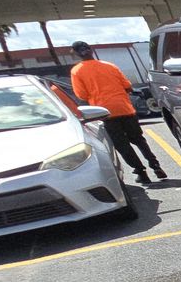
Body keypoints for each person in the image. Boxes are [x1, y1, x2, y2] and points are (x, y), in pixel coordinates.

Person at [69, 40, 166, 182]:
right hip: (125, 108)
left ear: (76, 54)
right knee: (138, 140)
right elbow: (127, 86)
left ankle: (141, 172)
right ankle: (156, 165)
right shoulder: (110, 66)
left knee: (122, 145)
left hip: (104, 113)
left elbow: (81, 95)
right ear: (91, 50)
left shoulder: (77, 71)